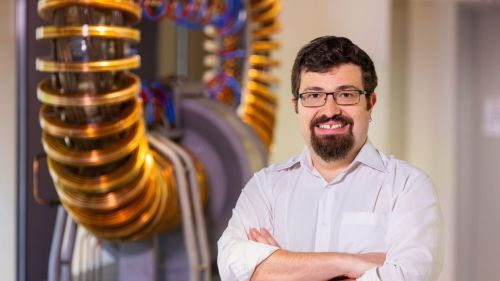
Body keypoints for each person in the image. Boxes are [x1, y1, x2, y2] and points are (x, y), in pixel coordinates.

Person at [217, 36, 443, 281]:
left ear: (371, 103)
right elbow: (232, 266)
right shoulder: (265, 187)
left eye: (346, 94)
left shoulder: (408, 187)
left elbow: (410, 277)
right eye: (314, 96)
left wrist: (283, 265)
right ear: (297, 106)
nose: (330, 110)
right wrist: (349, 263)